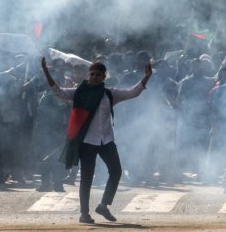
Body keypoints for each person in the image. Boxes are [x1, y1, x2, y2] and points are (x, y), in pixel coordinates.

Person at [40, 57, 152, 224]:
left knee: (116, 172)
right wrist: (46, 71)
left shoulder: (109, 93)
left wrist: (147, 76)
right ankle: (84, 213)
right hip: (87, 142)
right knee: (87, 178)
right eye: (92, 74)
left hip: (106, 140)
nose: (95, 77)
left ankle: (104, 205)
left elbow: (132, 92)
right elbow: (58, 91)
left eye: (98, 75)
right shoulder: (78, 92)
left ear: (104, 77)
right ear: (88, 75)